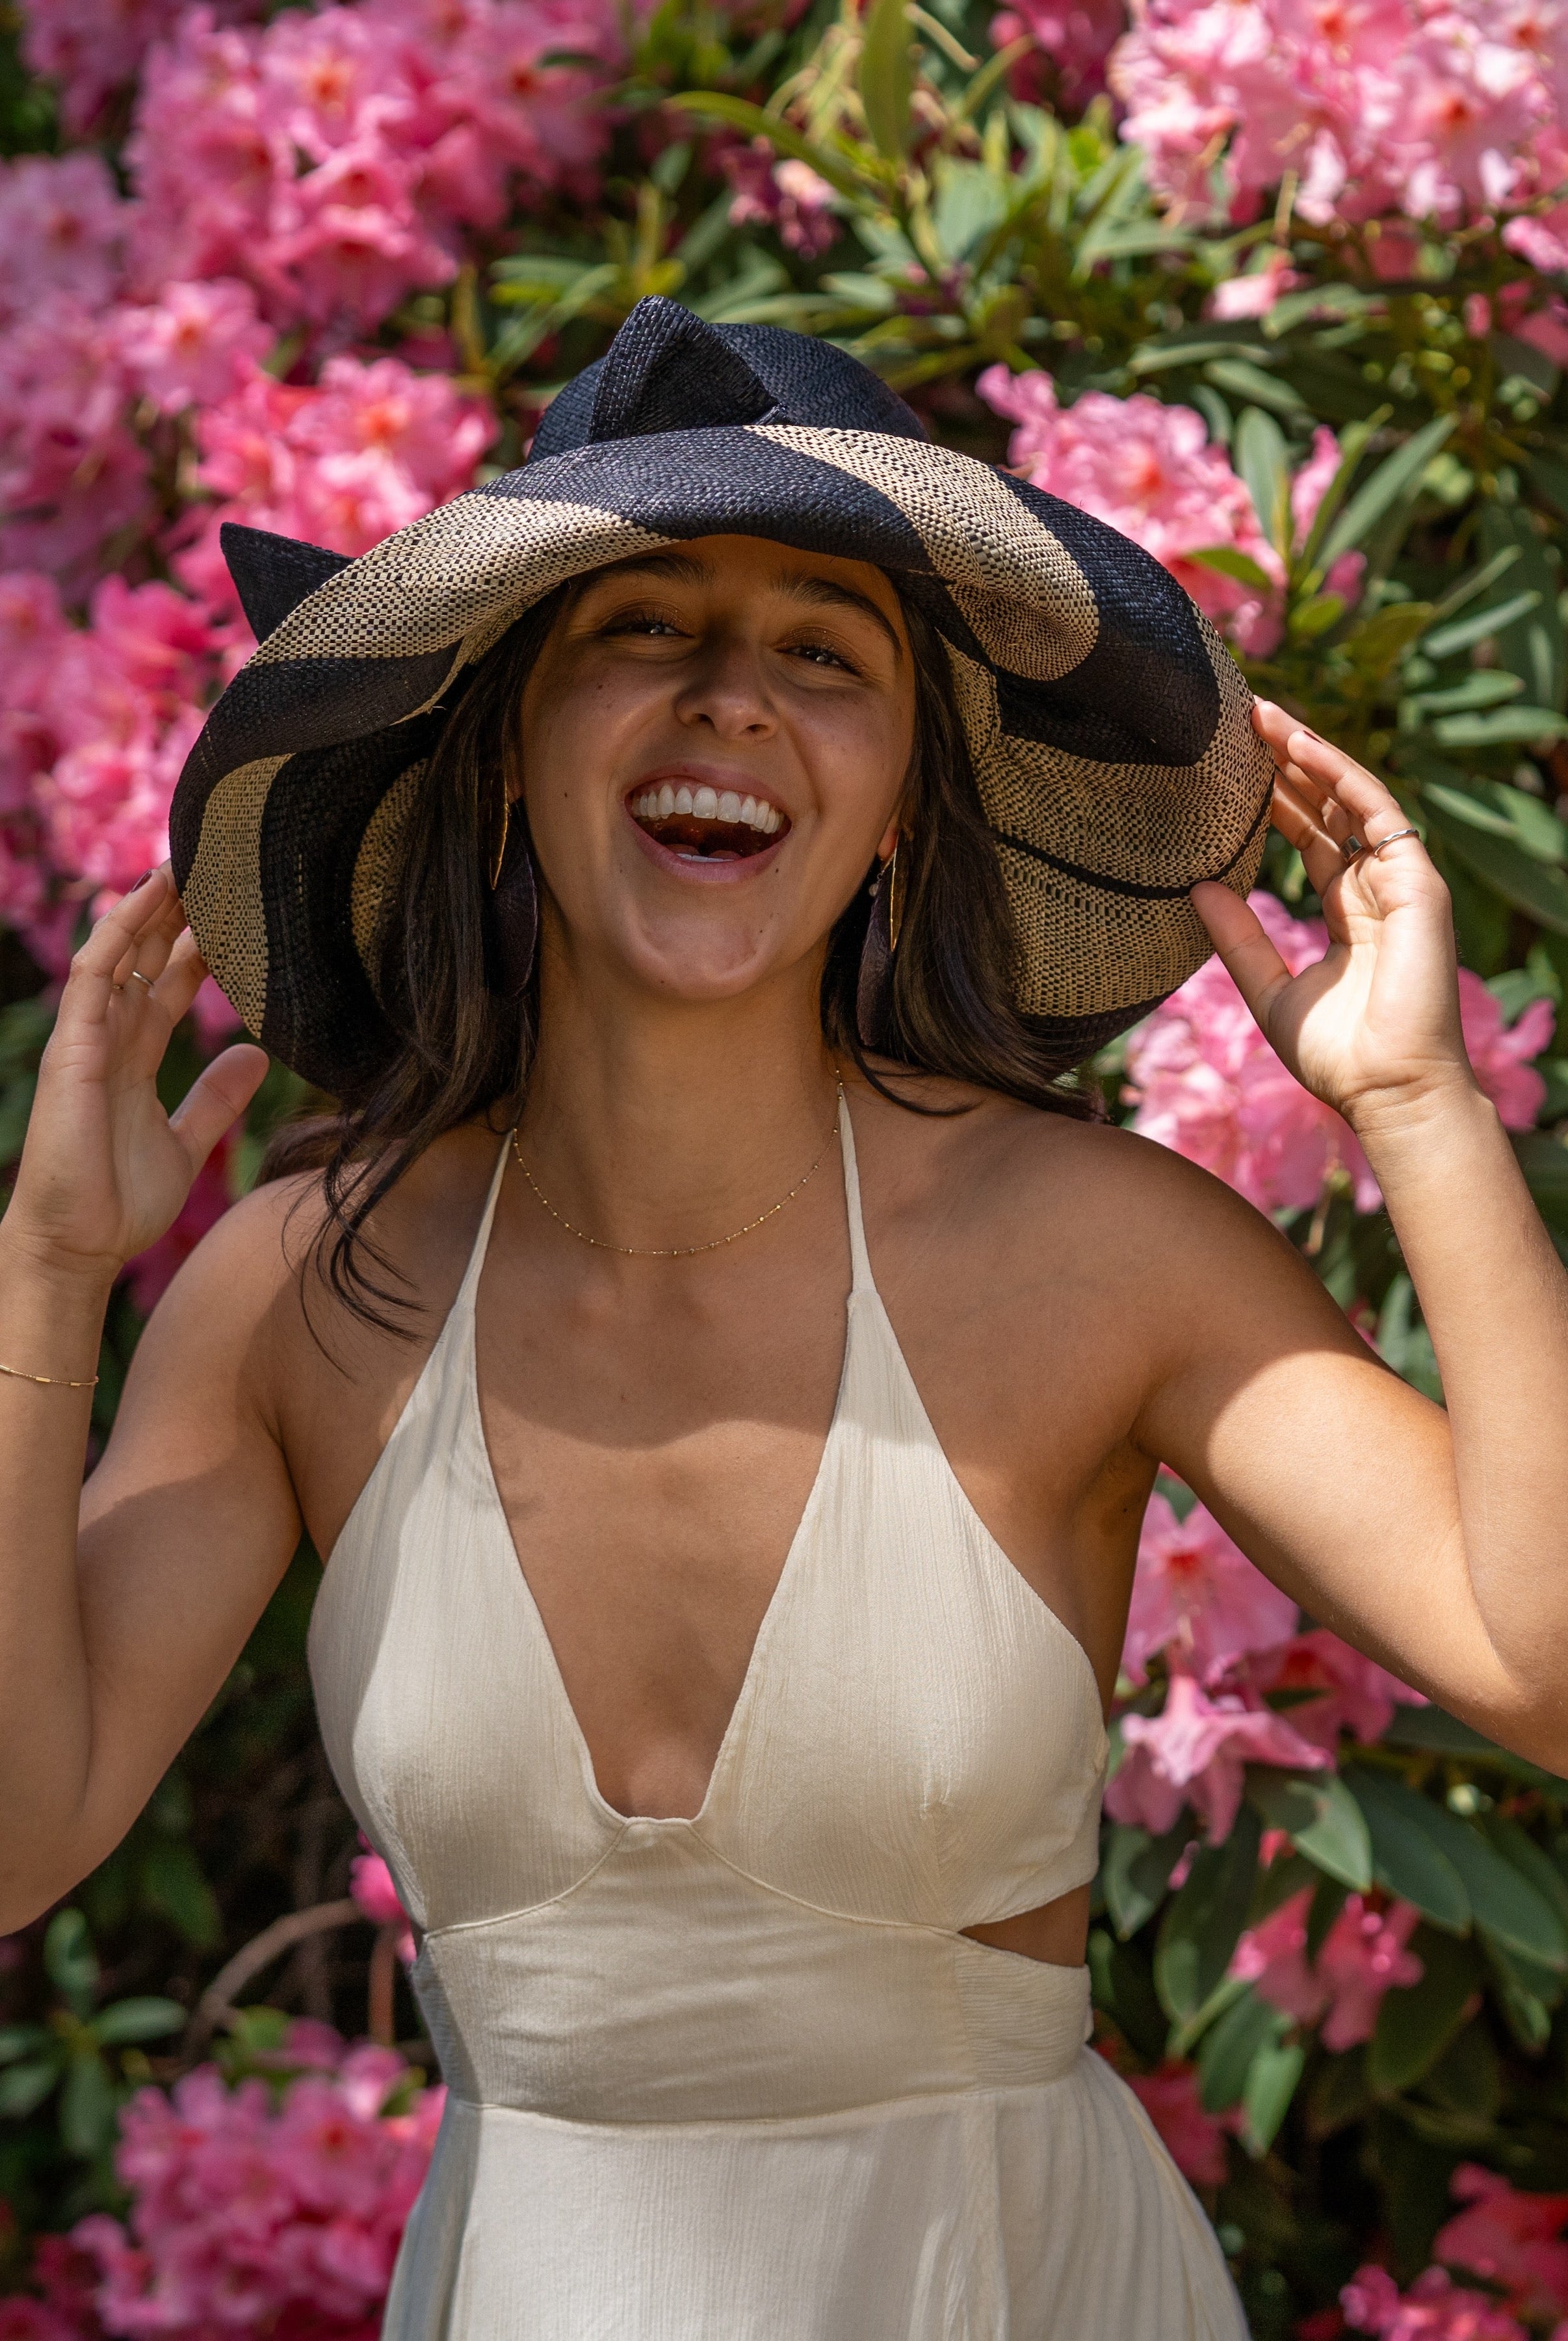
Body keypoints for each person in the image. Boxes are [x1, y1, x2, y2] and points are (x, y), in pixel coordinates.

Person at [1, 297, 1565, 2340]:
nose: (730, 699)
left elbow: (1538, 1669)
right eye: (639, 628)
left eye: (824, 654)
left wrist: (1418, 1114)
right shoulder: (305, 1289)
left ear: (907, 798)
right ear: (500, 761)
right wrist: (43, 1281)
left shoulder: (1095, 1252)